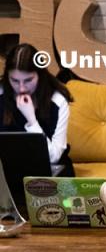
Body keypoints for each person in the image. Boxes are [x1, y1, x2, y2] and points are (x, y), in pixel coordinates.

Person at [0, 43, 74, 175]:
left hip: (49, 169)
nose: (22, 88)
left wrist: (32, 121)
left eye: (28, 80)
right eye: (15, 81)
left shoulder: (57, 100)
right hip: (7, 170)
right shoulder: (1, 94)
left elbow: (54, 157)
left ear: (40, 75)